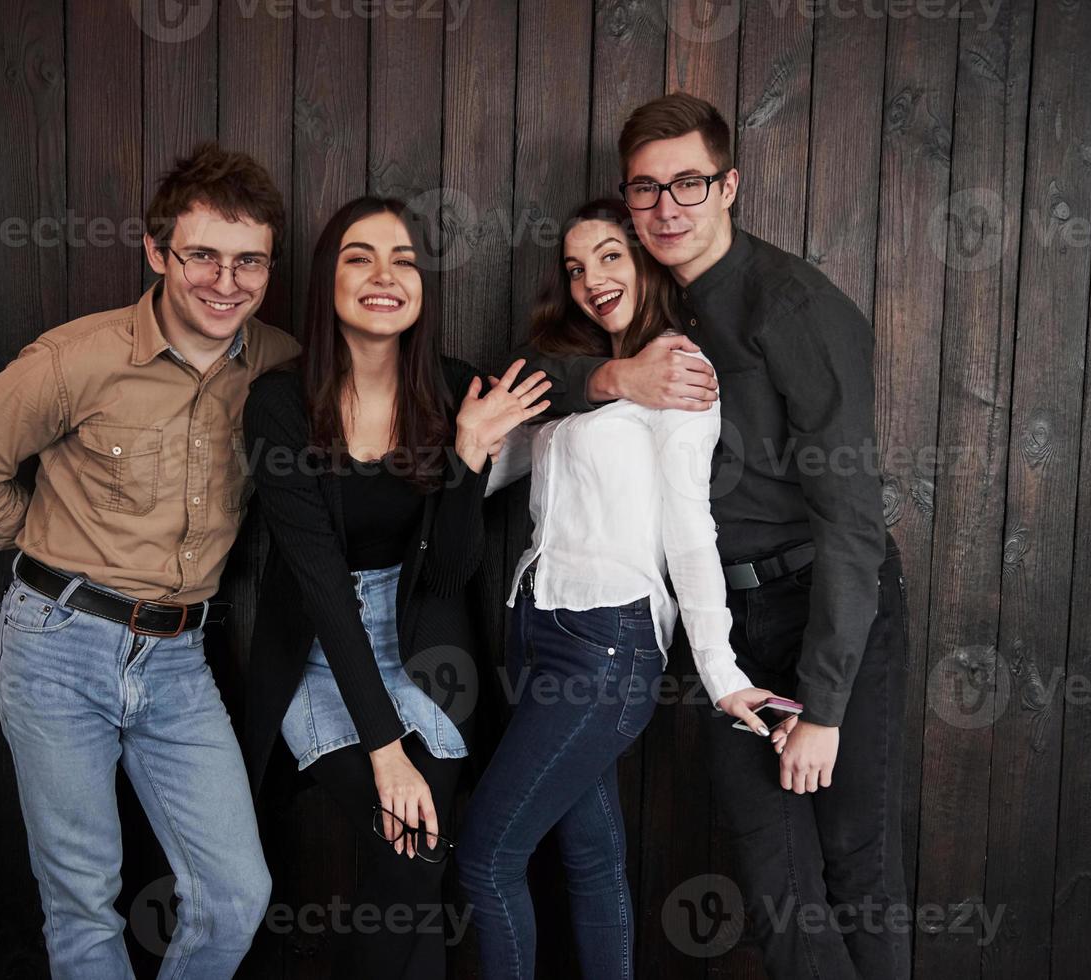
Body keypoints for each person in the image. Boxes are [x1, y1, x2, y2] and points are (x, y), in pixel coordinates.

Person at [521, 94, 912, 980]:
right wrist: (613, 373)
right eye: (645, 190)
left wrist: (823, 707)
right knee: (773, 882)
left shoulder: (796, 307)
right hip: (724, 626)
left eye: (688, 184)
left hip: (827, 607)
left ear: (729, 185)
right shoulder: (645, 302)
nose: (666, 208)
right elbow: (535, 371)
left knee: (856, 864)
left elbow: (851, 518)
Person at [0, 141, 298, 977]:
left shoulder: (279, 363)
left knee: (236, 891)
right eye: (201, 255)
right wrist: (47, 545)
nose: (225, 282)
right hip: (56, 646)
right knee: (83, 901)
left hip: (179, 662)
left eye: (248, 263)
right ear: (157, 252)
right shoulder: (75, 359)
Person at [457, 198, 796, 980]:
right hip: (536, 629)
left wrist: (720, 671)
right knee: (591, 859)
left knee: (485, 857)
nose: (591, 280)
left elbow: (690, 528)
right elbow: (486, 472)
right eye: (575, 268)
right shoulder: (577, 381)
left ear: (645, 258)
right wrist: (463, 450)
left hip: (606, 646)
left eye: (609, 256)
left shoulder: (680, 370)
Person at [241, 196, 550, 979]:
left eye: (403, 259)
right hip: (321, 642)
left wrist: (467, 458)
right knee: (411, 857)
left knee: (418, 870)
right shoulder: (277, 404)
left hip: (427, 641)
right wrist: (385, 751)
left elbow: (448, 571)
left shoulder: (455, 389)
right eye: (358, 257)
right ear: (326, 282)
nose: (384, 275)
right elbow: (317, 585)